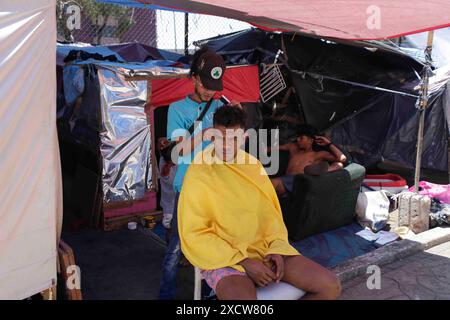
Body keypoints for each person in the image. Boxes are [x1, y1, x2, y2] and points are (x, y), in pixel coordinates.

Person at [178, 106, 341, 300]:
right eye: (221, 138)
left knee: (330, 286)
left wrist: (276, 249)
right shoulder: (199, 172)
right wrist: (244, 261)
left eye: (234, 139)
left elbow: (270, 217)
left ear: (245, 137)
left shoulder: (252, 165)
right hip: (223, 257)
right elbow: (195, 232)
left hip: (264, 249)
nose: (227, 145)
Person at [158, 47, 240, 300]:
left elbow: (235, 146)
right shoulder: (177, 110)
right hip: (189, 185)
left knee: (214, 245)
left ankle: (208, 293)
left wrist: (236, 120)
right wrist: (205, 133)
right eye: (205, 85)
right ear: (193, 77)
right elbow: (179, 151)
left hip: (216, 186)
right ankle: (166, 296)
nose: (210, 92)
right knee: (176, 249)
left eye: (214, 86)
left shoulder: (222, 107)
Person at [269, 125, 347, 197]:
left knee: (272, 183)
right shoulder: (292, 147)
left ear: (311, 140)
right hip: (285, 181)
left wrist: (329, 144)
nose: (298, 139)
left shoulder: (318, 154)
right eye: (297, 137)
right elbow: (271, 148)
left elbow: (342, 158)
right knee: (267, 183)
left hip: (300, 181)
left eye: (301, 137)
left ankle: (323, 173)